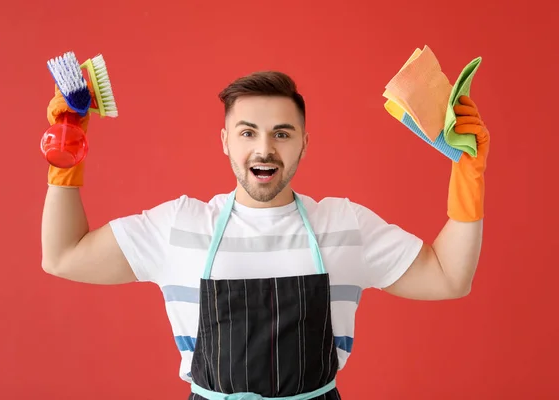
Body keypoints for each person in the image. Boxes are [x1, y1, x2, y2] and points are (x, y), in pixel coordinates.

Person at [41, 71, 489, 400]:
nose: (264, 149)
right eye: (248, 132)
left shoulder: (343, 224)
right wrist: (67, 154)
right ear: (225, 141)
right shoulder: (179, 225)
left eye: (282, 133)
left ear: (304, 143)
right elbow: (64, 255)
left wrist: (468, 173)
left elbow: (449, 277)